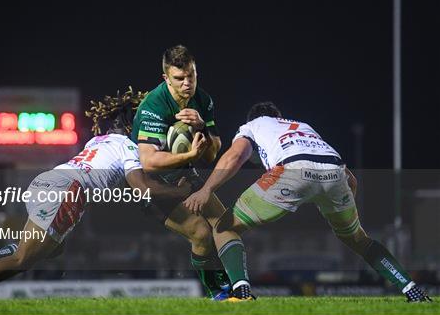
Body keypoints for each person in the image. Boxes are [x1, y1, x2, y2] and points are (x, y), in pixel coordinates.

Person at [0, 88, 192, 301]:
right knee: (23, 259)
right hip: (66, 191)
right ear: (130, 125)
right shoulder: (128, 147)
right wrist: (179, 190)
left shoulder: (98, 141)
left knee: (55, 249)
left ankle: (2, 253)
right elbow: (143, 188)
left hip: (45, 181)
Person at [184, 101, 433, 302]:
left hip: (292, 170)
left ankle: (241, 293)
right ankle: (410, 288)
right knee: (358, 239)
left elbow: (235, 156)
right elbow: (351, 179)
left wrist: (207, 189)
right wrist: (342, 207)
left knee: (225, 227)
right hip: (335, 173)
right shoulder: (302, 126)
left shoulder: (253, 125)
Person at [131, 45, 253, 301]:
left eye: (191, 76)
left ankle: (241, 289)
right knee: (201, 233)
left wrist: (201, 127)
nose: (187, 83)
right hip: (151, 185)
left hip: (186, 175)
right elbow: (149, 161)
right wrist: (188, 156)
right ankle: (217, 290)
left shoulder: (203, 100)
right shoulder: (153, 106)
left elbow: (212, 154)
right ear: (165, 78)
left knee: (225, 223)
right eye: (179, 78)